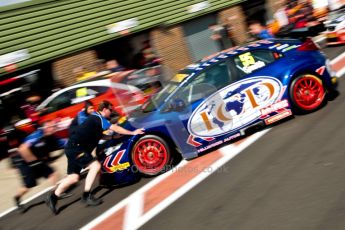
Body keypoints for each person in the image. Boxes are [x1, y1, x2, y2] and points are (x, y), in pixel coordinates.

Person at [46, 100, 144, 214]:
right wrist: (132, 133)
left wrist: (113, 138)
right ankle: (86, 196)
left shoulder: (96, 120)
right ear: (104, 109)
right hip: (76, 148)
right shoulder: (98, 117)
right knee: (95, 165)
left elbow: (99, 135)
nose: (112, 112)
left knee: (73, 177)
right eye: (110, 110)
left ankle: (52, 197)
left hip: (73, 148)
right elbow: (114, 128)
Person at [14, 120, 66, 211]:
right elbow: (22, 149)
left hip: (36, 160)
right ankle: (17, 198)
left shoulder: (52, 137)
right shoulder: (36, 136)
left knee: (53, 173)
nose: (54, 128)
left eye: (54, 126)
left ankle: (54, 194)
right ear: (45, 128)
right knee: (29, 186)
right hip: (24, 161)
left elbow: (65, 142)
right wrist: (33, 162)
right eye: (51, 127)